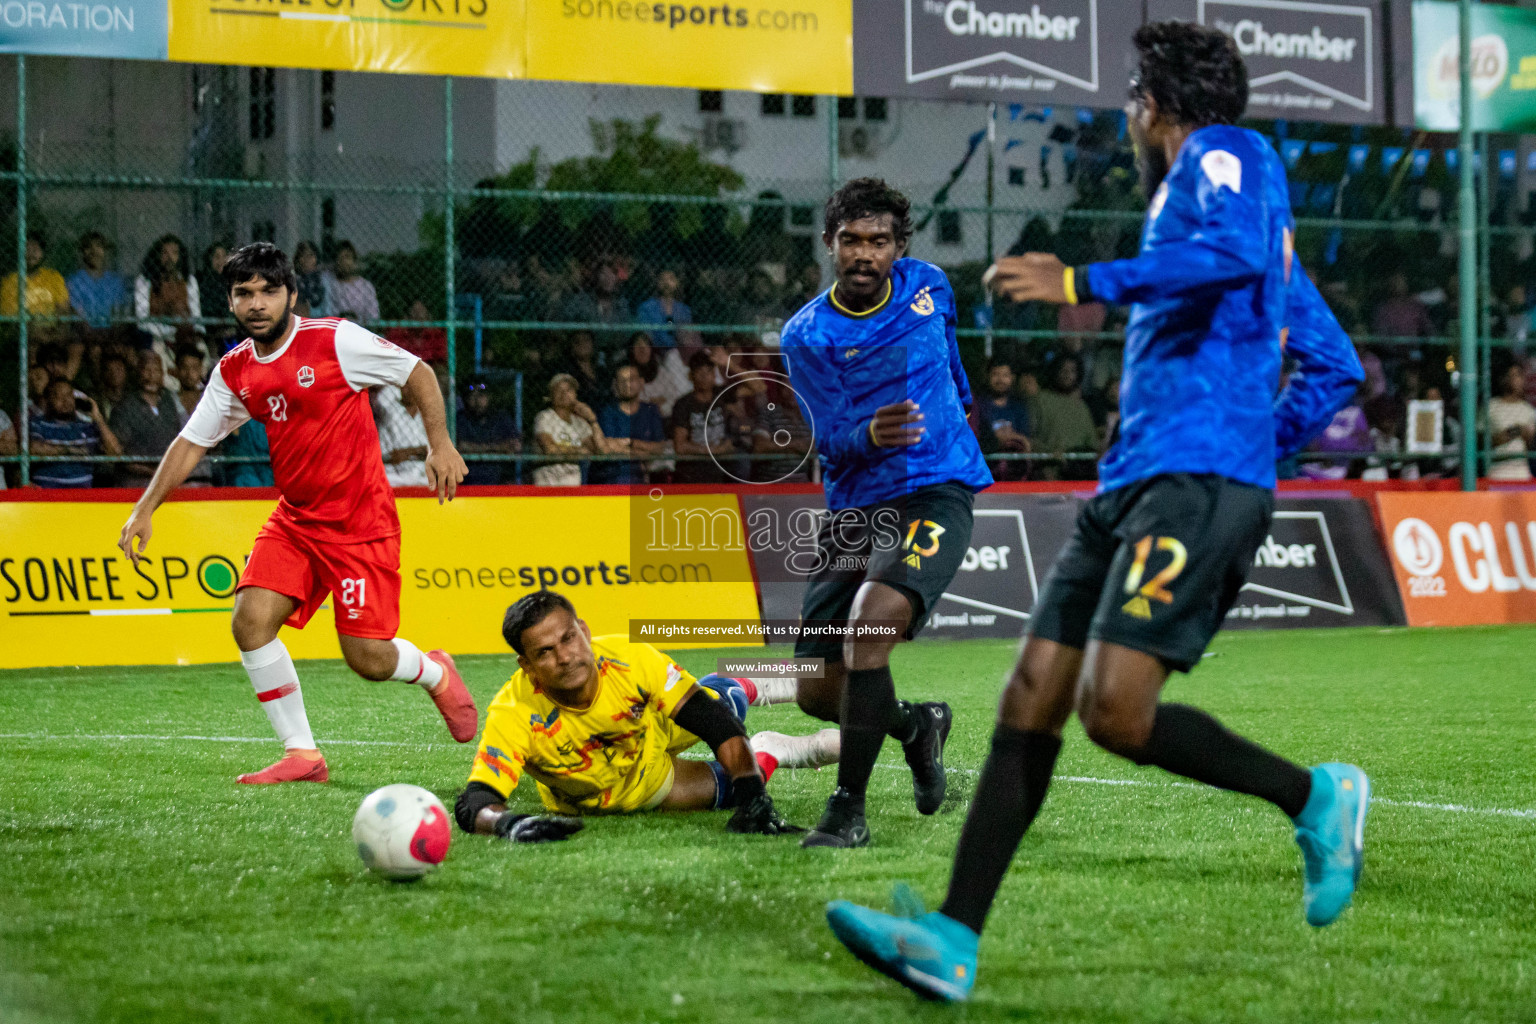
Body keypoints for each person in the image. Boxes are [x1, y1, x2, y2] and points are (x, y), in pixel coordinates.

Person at [825, 23, 1368, 1000]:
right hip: (1136, 485)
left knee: (1116, 711)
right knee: (1031, 693)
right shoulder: (1206, 221)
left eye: (1131, 97)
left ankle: (1316, 795)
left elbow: (1239, 256)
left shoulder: (1228, 154)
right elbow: (1332, 362)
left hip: (1192, 483)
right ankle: (953, 936)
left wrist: (1082, 283)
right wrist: (1261, 434)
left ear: (1155, 105)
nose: (1127, 114)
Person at [115, 242, 476, 785]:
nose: (257, 303)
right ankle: (302, 754)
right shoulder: (235, 369)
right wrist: (145, 509)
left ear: (292, 294)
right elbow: (192, 441)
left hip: (360, 522)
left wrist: (439, 443)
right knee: (250, 622)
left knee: (368, 659)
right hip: (297, 519)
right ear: (231, 301)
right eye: (244, 293)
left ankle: (434, 672)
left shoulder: (334, 339)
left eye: (268, 291)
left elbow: (417, 372)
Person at [779, 177, 992, 849]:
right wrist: (869, 435)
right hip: (857, 502)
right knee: (818, 687)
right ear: (829, 244)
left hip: (937, 487)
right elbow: (828, 440)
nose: (863, 254)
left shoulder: (931, 285)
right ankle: (914, 726)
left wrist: (958, 409)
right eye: (850, 241)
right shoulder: (808, 335)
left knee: (870, 629)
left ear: (899, 246)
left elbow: (952, 363)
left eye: (878, 241)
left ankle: (848, 809)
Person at [455, 591, 837, 841]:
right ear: (527, 666)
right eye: (545, 652)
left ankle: (759, 685)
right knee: (733, 789)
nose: (565, 657)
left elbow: (712, 723)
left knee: (722, 708)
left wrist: (759, 800)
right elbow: (475, 802)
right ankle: (772, 749)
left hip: (652, 724)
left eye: (569, 638)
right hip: (624, 787)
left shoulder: (629, 659)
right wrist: (510, 824)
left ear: (584, 631)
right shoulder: (514, 711)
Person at [110, 349, 199, 488]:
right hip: (135, 485)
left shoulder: (169, 401)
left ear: (162, 374)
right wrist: (153, 472)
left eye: (156, 371)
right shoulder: (125, 407)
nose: (151, 376)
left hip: (167, 483)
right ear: (137, 372)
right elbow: (118, 454)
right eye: (146, 370)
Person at [29, 377, 122, 488]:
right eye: (58, 396)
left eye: (69, 395)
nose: (65, 400)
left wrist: (98, 418)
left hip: (81, 496)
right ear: (48, 400)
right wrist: (70, 450)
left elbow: (115, 451)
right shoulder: (38, 423)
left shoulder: (86, 426)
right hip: (47, 494)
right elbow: (33, 448)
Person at [134, 234, 206, 375]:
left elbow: (196, 316)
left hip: (184, 334)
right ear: (157, 256)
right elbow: (141, 320)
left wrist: (195, 333)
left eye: (174, 253)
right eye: (164, 253)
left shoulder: (189, 281)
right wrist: (168, 327)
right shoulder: (144, 280)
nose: (169, 258)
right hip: (156, 335)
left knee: (201, 354)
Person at [593, 363, 667, 484]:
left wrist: (630, 442)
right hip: (612, 478)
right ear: (615, 385)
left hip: (641, 479)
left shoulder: (651, 410)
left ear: (641, 383)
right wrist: (641, 453)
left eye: (631, 379)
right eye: (622, 380)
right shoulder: (607, 412)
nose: (627, 384)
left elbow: (659, 447)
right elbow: (607, 445)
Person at [1029, 356, 1098, 480]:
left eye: (1072, 371)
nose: (1067, 375)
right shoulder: (1040, 400)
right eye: (1063, 371)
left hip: (1080, 472)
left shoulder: (1081, 406)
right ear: (1055, 372)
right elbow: (1030, 439)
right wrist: (1050, 454)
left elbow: (1092, 444)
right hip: (1049, 469)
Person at [668, 350, 732, 484]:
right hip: (690, 474)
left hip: (718, 470)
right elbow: (680, 446)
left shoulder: (722, 395)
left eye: (708, 371)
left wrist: (729, 364)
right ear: (691, 376)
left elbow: (759, 387)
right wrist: (711, 450)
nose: (704, 376)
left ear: (714, 375)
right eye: (699, 372)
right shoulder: (683, 404)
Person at [532, 373, 603, 487]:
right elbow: (550, 449)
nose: (564, 393)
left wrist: (592, 419)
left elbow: (598, 450)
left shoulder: (580, 423)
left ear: (575, 394)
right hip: (548, 485)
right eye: (558, 390)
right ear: (551, 396)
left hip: (574, 485)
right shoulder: (545, 417)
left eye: (569, 389)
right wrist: (579, 451)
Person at [1, 231, 72, 332]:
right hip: (25, 335)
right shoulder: (10, 281)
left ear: (43, 253)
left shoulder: (54, 277)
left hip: (51, 332)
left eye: (35, 249)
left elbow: (64, 310)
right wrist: (36, 332)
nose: (31, 254)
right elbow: (11, 320)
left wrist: (58, 332)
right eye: (27, 249)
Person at [457, 377, 521, 486]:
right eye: (472, 395)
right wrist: (499, 447)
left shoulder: (501, 417)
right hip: (467, 481)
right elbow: (459, 446)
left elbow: (515, 446)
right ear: (466, 399)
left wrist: (474, 448)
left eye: (481, 395)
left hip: (499, 480)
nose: (477, 400)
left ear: (490, 396)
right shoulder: (460, 418)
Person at [979, 360, 1032, 480]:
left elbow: (1026, 440)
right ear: (987, 376)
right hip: (986, 469)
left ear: (1012, 378)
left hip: (1015, 471)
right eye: (995, 374)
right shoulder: (979, 405)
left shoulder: (1019, 408)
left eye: (1005, 375)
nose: (1000, 380)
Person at [751, 379, 814, 482]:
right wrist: (793, 445)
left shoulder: (808, 417)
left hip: (802, 485)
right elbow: (759, 447)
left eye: (795, 390)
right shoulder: (768, 414)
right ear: (780, 391)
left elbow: (816, 447)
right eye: (787, 388)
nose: (791, 393)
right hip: (772, 484)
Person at [67, 231, 129, 334]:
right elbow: (76, 313)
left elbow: (120, 311)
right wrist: (91, 332)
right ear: (82, 252)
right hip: (84, 334)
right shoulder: (74, 280)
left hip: (112, 333)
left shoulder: (115, 281)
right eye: (88, 247)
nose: (94, 251)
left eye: (99, 246)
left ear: (105, 251)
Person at [1487, 361, 1536, 481]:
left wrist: (1529, 437)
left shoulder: (1528, 410)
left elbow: (1532, 446)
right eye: (1515, 375)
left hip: (1522, 473)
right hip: (1497, 473)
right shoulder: (1491, 407)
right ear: (1504, 379)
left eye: (1520, 376)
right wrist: (1515, 432)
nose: (1519, 380)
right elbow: (1482, 442)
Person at [628, 330, 691, 418]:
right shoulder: (626, 375)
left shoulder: (662, 372)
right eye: (637, 346)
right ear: (631, 351)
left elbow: (672, 399)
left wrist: (650, 404)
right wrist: (656, 401)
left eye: (646, 345)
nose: (642, 350)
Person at [635, 269, 695, 351]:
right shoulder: (646, 307)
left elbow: (686, 337)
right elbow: (646, 335)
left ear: (677, 283)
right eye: (662, 279)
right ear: (657, 283)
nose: (666, 283)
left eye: (671, 279)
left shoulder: (684, 310)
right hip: (653, 352)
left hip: (678, 353)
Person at [321, 241, 380, 324]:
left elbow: (374, 315)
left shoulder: (365, 286)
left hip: (361, 328)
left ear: (354, 261)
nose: (344, 262)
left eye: (347, 257)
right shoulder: (330, 284)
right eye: (340, 258)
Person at [385, 299, 448, 364]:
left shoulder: (436, 334)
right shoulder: (398, 334)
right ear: (407, 317)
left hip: (430, 368)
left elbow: (441, 360)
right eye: (415, 312)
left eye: (421, 312)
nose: (418, 316)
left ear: (428, 316)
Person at [292, 241, 327, 316]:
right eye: (303, 255)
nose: (307, 259)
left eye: (311, 255)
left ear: (316, 258)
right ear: (298, 259)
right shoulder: (295, 280)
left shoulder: (323, 279)